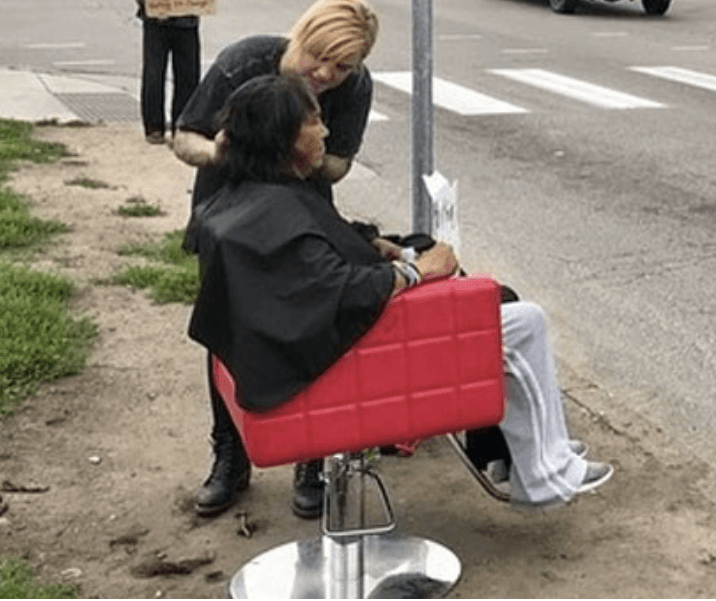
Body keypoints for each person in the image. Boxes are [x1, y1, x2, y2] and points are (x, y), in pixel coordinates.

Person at [185, 74, 614, 508]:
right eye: (314, 121)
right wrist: (417, 273)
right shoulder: (277, 209)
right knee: (520, 324)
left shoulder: (241, 200)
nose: (327, 131)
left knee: (497, 302)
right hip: (336, 377)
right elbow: (339, 291)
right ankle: (546, 474)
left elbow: (310, 258)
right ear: (284, 136)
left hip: (293, 369)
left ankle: (524, 456)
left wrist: (372, 245)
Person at [172, 0, 381, 519]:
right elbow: (184, 137)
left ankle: (310, 458)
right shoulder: (245, 62)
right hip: (229, 211)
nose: (327, 73)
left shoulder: (353, 85)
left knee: (313, 326)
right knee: (228, 325)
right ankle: (230, 456)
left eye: (343, 66)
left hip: (299, 210)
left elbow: (338, 162)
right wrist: (228, 151)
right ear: (303, 35)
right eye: (321, 57)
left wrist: (303, 156)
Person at [128, 0, 219, 145]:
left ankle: (182, 125)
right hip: (156, 25)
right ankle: (154, 127)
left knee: (188, 77)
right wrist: (151, 5)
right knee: (153, 75)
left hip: (187, 26)